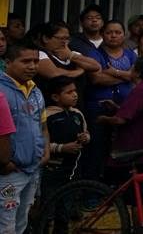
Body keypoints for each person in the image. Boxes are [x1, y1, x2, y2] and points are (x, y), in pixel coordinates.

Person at [0, 43, 48, 234]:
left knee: (22, 223)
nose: (32, 66)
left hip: (33, 168)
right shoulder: (1, 91)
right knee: (6, 226)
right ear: (8, 62)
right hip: (9, 172)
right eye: (26, 61)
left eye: (36, 61)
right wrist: (4, 163)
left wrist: (45, 151)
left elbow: (42, 125)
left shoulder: (35, 90)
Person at [83, 19, 137, 179]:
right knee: (97, 147)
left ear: (124, 35)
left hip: (124, 107)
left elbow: (136, 77)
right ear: (102, 34)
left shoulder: (130, 54)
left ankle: (114, 185)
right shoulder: (94, 54)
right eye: (109, 32)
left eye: (118, 32)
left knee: (121, 148)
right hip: (98, 108)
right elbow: (96, 79)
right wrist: (126, 76)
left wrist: (113, 72)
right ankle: (93, 186)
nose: (113, 36)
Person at [97, 58, 143, 177]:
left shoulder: (140, 90)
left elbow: (120, 120)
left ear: (138, 73)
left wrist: (103, 119)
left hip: (132, 146)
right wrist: (117, 107)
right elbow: (135, 112)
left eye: (132, 68)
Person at [41, 76, 89, 210]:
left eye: (75, 91)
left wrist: (85, 138)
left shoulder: (77, 114)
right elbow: (40, 143)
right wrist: (61, 148)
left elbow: (86, 132)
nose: (75, 95)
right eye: (69, 92)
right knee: (49, 206)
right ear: (55, 97)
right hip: (51, 170)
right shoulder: (47, 116)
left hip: (73, 169)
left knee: (67, 206)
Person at [33, 21, 101, 102]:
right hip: (52, 105)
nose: (65, 42)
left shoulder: (72, 54)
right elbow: (54, 73)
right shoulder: (39, 54)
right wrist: (78, 72)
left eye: (67, 38)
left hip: (77, 106)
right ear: (46, 39)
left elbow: (96, 66)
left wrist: (71, 56)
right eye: (61, 38)